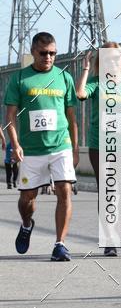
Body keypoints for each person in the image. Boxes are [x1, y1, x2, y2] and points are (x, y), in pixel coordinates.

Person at [4, 32, 78, 261]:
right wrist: (14, 145)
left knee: (64, 190)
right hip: (31, 150)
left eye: (53, 53)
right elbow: (10, 116)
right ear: (34, 52)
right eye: (44, 53)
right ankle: (26, 224)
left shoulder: (64, 78)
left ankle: (60, 244)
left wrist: (74, 148)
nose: (49, 57)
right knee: (27, 199)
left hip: (60, 145)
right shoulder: (20, 79)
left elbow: (71, 117)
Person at [75, 41, 121, 257]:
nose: (115, 62)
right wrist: (86, 69)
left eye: (119, 58)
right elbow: (80, 94)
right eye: (109, 59)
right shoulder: (97, 84)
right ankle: (108, 239)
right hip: (101, 147)